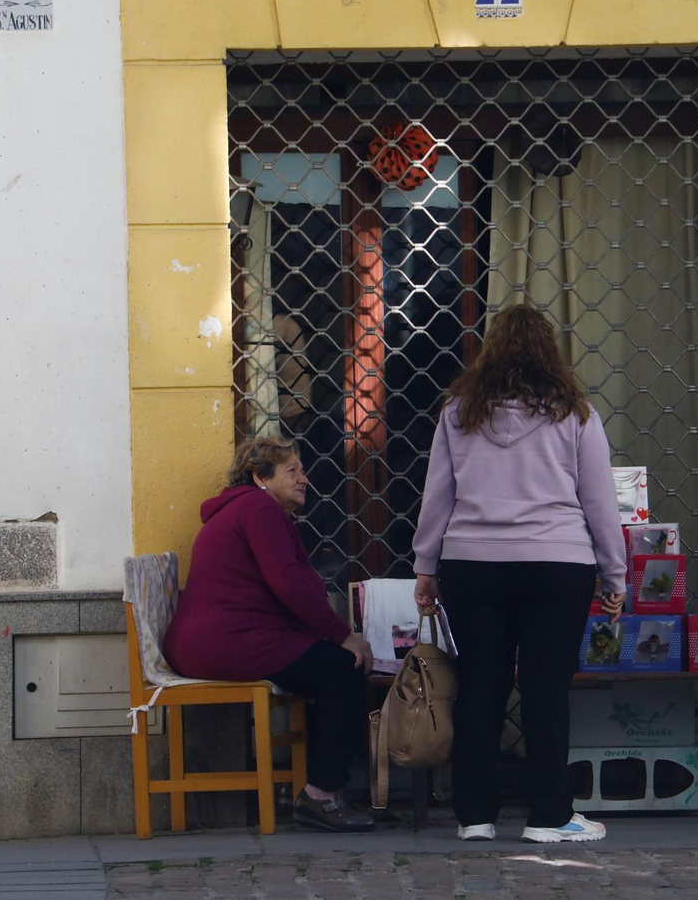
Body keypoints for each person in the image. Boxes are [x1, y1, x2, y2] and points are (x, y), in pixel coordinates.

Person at [410, 305, 627, 844]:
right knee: (545, 689)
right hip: (557, 564)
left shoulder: (459, 412)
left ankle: (474, 816)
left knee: (480, 684)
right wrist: (614, 574)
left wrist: (425, 566)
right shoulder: (575, 415)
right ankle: (549, 816)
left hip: (472, 563)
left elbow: (438, 494)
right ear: (550, 354)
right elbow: (600, 502)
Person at [162, 437, 376, 833]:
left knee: (328, 668)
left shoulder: (255, 509)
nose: (304, 479)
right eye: (291, 470)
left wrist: (330, 631)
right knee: (343, 669)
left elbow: (298, 581)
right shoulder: (258, 508)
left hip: (218, 640)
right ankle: (320, 796)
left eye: (302, 469)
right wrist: (343, 635)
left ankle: (324, 789)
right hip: (224, 641)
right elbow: (289, 584)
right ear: (261, 477)